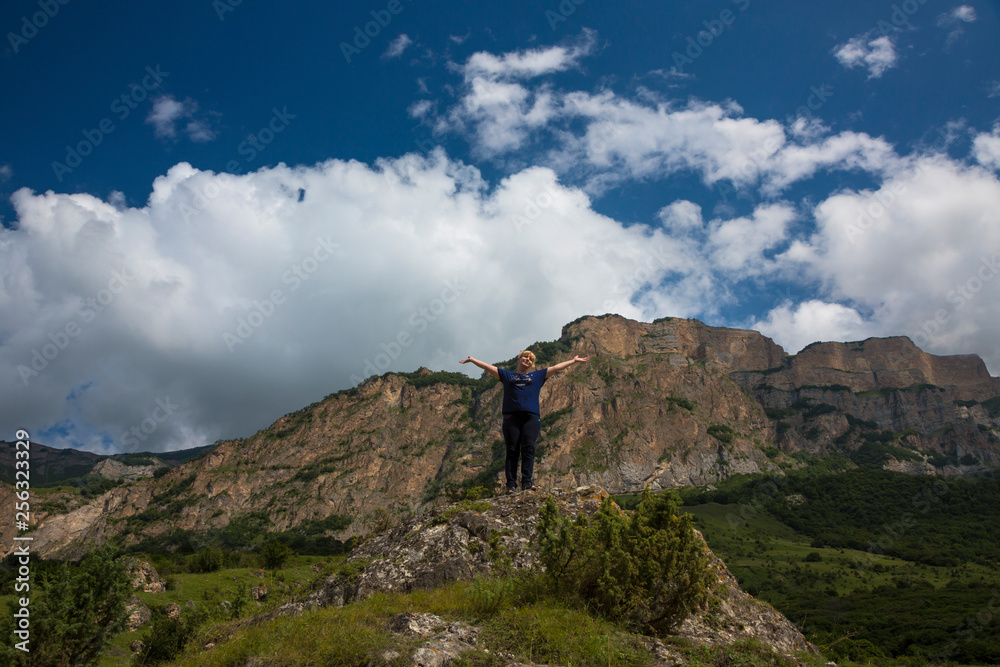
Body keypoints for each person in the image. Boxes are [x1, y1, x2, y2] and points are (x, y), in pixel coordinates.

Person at [460, 350, 589, 493]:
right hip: (511, 418)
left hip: (531, 418)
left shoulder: (537, 376)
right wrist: (473, 360)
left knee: (528, 448)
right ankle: (511, 485)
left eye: (530, 359)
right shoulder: (507, 375)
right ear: (519, 358)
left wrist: (573, 360)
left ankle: (527, 482)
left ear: (532, 364)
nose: (527, 360)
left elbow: (556, 367)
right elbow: (488, 367)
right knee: (512, 450)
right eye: (525, 357)